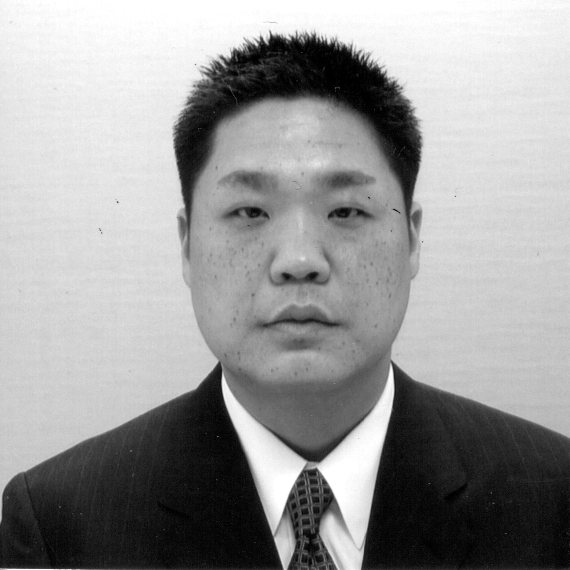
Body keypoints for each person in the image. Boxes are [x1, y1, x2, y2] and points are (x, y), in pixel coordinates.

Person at [1, 32, 569, 569]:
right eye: (250, 212)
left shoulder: (553, 501)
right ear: (188, 245)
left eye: (346, 211)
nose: (299, 260)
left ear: (412, 238)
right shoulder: (61, 524)